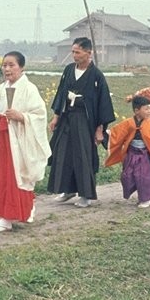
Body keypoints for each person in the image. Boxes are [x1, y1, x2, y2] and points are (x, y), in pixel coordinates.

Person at [0, 51, 50, 232]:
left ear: (21, 67)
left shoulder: (29, 89)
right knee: (4, 178)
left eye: (11, 65)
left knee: (19, 176)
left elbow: (40, 115)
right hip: (2, 139)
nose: (7, 69)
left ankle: (15, 214)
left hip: (20, 141)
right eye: (4, 65)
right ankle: (6, 217)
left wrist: (22, 116)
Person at [47, 37, 115, 207]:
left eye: (77, 52)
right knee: (63, 152)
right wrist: (56, 117)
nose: (74, 55)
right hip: (67, 117)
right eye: (73, 52)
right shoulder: (68, 70)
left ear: (88, 53)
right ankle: (67, 189)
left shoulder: (96, 75)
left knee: (82, 155)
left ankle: (85, 195)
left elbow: (103, 103)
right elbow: (61, 93)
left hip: (85, 120)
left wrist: (100, 130)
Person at [105, 96, 150, 208]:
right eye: (146, 109)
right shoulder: (128, 123)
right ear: (136, 110)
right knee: (128, 175)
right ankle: (140, 194)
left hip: (146, 155)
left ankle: (145, 199)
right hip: (131, 153)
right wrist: (105, 135)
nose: (149, 111)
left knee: (144, 176)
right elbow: (116, 133)